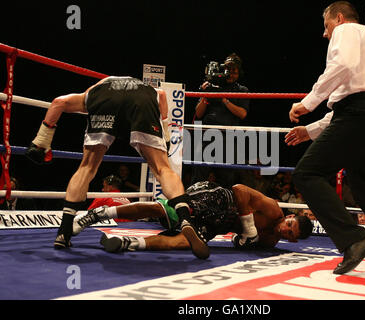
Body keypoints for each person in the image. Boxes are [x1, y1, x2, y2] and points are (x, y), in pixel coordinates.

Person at [284, 1, 365, 274]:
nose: (325, 34)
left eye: (326, 26)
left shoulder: (347, 31)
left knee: (307, 173)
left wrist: (307, 103)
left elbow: (344, 78)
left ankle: (353, 239)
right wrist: (309, 131)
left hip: (359, 116)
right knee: (364, 187)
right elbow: (352, 100)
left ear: (339, 18)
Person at [25, 76, 208, 258]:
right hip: (142, 102)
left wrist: (41, 142)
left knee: (87, 167)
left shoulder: (93, 93)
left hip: (104, 102)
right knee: (162, 169)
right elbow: (160, 94)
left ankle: (64, 232)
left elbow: (58, 102)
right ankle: (184, 217)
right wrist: (166, 136)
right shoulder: (144, 88)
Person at [71, 181, 313, 254]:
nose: (285, 230)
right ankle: (100, 213)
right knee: (161, 210)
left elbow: (238, 243)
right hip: (219, 199)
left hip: (220, 225)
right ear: (289, 216)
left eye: (290, 234)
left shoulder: (270, 241)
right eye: (289, 225)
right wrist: (249, 229)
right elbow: (239, 189)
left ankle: (130, 243)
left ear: (292, 241)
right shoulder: (272, 209)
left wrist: (242, 240)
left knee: (188, 242)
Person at [191, 53, 250, 189]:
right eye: (228, 70)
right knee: (199, 174)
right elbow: (198, 113)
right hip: (207, 135)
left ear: (239, 73)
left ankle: (226, 207)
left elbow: (242, 113)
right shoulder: (212, 85)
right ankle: (193, 205)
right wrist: (207, 95)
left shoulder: (242, 90)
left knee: (227, 177)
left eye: (234, 72)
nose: (230, 74)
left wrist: (223, 99)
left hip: (228, 137)